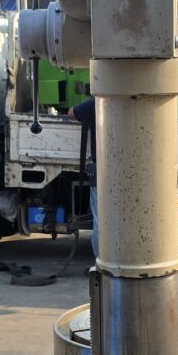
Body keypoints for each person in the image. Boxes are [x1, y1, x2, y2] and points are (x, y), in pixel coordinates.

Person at [67, 95, 98, 256]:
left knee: (100, 221)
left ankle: (102, 263)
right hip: (127, 169)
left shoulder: (95, 103)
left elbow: (71, 113)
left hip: (102, 170)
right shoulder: (128, 100)